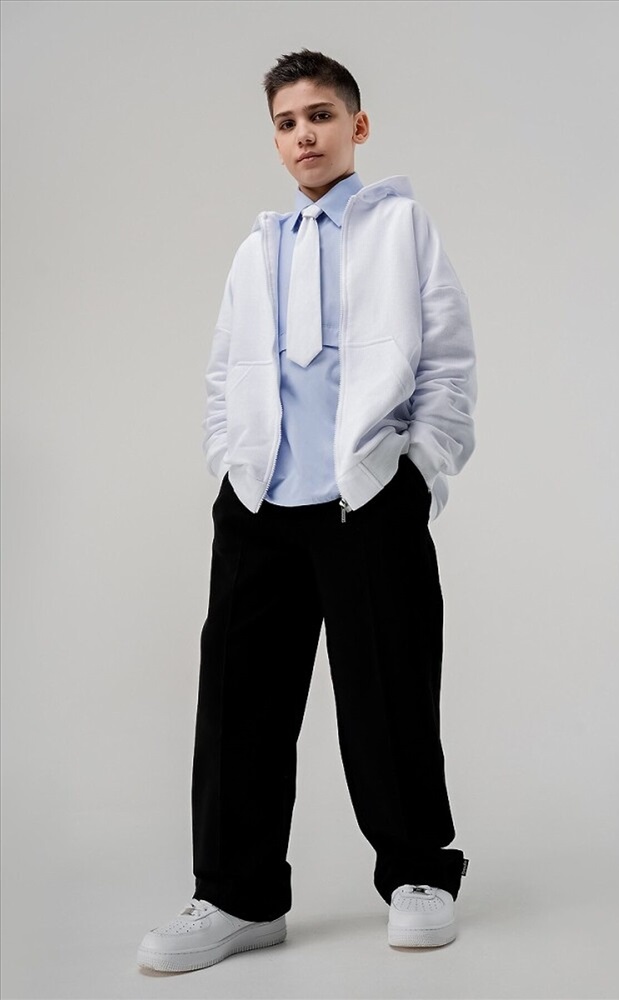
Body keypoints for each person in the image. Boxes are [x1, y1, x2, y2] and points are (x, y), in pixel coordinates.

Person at [137, 47, 477, 974]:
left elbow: (447, 364)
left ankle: (420, 874)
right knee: (238, 703)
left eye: (321, 116)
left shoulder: (401, 228)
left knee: (388, 697)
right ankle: (237, 896)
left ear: (356, 126)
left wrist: (416, 475)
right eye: (286, 123)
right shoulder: (257, 248)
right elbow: (225, 375)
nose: (304, 136)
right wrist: (231, 467)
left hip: (366, 501)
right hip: (261, 507)